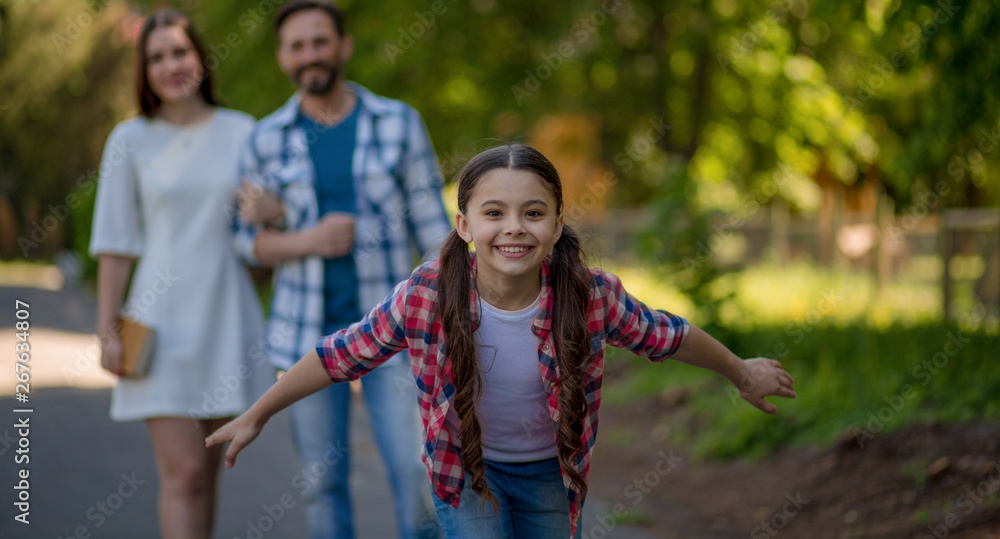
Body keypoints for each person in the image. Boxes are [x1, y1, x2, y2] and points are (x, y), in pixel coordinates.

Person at [207, 143, 798, 539]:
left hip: (550, 475)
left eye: (533, 212)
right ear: (465, 225)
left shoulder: (590, 296)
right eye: (494, 212)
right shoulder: (426, 297)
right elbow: (339, 355)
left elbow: (668, 336)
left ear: (557, 223)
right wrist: (258, 412)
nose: (514, 227)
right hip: (466, 476)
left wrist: (739, 371)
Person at [232, 0, 449, 539]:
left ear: (343, 47)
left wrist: (455, 309)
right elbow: (247, 244)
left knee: (414, 472)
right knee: (322, 484)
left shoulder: (398, 123)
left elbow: (434, 228)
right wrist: (304, 237)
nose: (311, 54)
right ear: (282, 56)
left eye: (320, 41)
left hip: (395, 333)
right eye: (297, 45)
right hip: (307, 340)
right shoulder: (265, 138)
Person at [90, 8, 271, 538]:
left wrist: (270, 211)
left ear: (200, 58)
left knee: (207, 475)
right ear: (143, 71)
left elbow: (260, 239)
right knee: (184, 474)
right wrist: (107, 329)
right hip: (155, 322)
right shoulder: (130, 140)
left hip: (227, 317)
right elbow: (114, 244)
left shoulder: (243, 132)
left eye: (179, 51)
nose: (170, 65)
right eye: (156, 57)